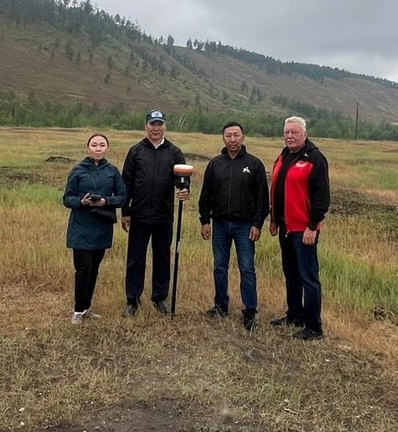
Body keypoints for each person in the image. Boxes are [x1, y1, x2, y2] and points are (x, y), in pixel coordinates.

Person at [199, 122, 269, 331]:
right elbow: (206, 195)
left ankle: (250, 311)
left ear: (243, 137)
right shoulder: (215, 164)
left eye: (236, 135)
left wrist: (257, 224)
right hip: (220, 225)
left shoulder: (254, 164)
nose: (232, 139)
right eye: (228, 135)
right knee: (220, 266)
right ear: (223, 138)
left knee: (247, 268)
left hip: (244, 226)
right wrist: (205, 221)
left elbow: (262, 198)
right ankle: (221, 305)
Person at [120, 110, 188, 316]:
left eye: (159, 124)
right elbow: (126, 183)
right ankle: (133, 300)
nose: (156, 128)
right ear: (146, 126)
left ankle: (159, 298)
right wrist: (125, 211)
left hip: (163, 215)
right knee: (135, 259)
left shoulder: (174, 152)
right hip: (139, 215)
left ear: (164, 127)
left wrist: (184, 188)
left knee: (162, 258)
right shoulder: (136, 151)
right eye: (152, 124)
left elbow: (183, 179)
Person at [269, 116, 330, 341]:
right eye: (286, 132)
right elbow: (278, 189)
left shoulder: (315, 158)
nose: (289, 136)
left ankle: (314, 326)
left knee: (308, 277)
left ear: (305, 134)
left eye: (294, 132)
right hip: (285, 226)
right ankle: (294, 315)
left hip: (304, 229)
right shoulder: (284, 155)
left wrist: (312, 226)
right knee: (291, 274)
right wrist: (274, 219)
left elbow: (322, 197)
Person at [62, 133, 127, 325]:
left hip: (102, 225)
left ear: (107, 148)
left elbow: (122, 196)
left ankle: (87, 308)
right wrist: (81, 202)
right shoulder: (78, 170)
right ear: (88, 148)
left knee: (94, 269)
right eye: (94, 145)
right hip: (81, 226)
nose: (98, 148)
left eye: (102, 145)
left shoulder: (112, 171)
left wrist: (107, 201)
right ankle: (78, 310)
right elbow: (67, 198)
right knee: (83, 268)